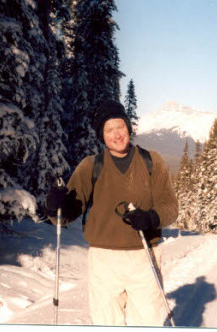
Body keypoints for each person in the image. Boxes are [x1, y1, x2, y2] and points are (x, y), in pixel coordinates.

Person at [46, 99, 178, 326]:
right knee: (107, 325)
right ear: (102, 136)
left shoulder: (151, 161)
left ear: (129, 127)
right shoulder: (90, 166)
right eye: (109, 130)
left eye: (120, 127)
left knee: (149, 323)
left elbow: (171, 207)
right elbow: (66, 214)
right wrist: (55, 205)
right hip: (103, 262)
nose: (117, 135)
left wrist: (151, 217)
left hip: (144, 257)